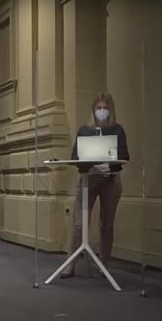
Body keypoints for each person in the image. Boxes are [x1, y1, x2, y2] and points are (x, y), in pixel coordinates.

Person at [61, 92, 129, 278]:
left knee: (106, 224)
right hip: (88, 180)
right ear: (93, 110)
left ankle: (103, 265)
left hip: (111, 181)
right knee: (78, 224)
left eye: (105, 108)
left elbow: (124, 156)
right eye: (98, 108)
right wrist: (91, 164)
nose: (102, 111)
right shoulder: (85, 130)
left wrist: (108, 165)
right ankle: (70, 264)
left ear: (111, 110)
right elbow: (75, 157)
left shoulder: (117, 130)